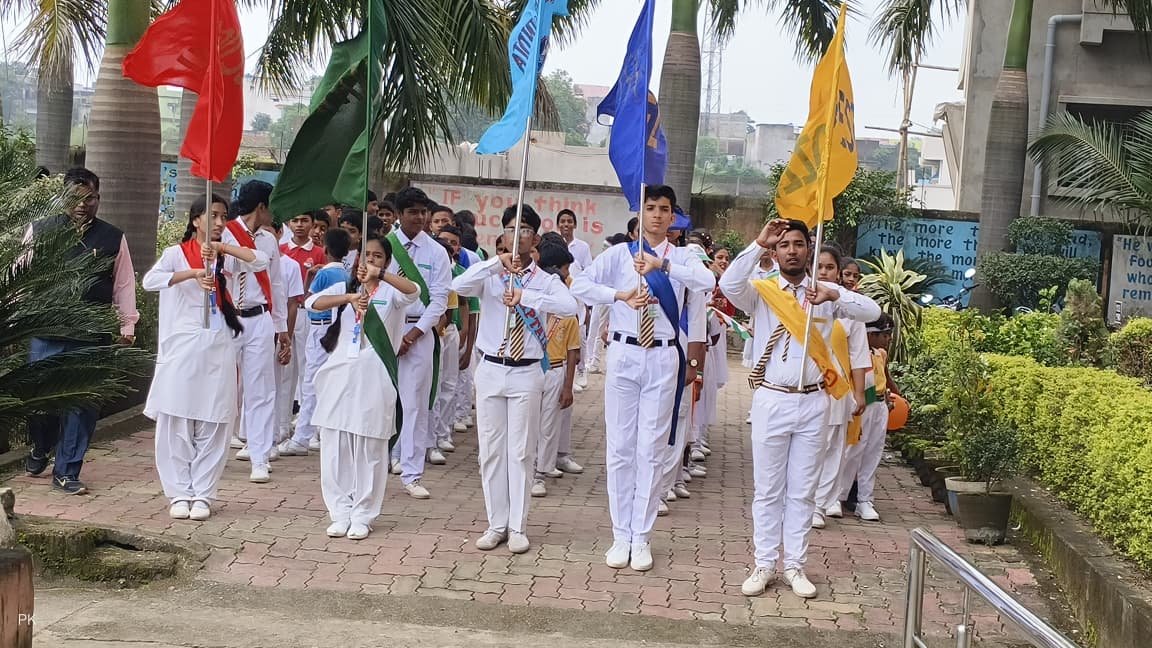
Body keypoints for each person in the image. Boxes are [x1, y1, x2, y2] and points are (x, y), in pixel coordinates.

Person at [720, 219, 880, 600]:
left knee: (803, 490)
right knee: (768, 488)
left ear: (810, 249)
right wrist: (758, 242)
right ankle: (764, 563)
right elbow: (727, 285)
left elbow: (872, 311)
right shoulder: (761, 291)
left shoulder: (824, 292)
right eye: (784, 244)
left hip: (814, 400)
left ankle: (794, 565)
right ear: (775, 252)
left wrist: (834, 295)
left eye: (798, 243)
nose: (791, 250)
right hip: (772, 398)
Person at [571, 185, 715, 572]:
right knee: (620, 447)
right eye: (650, 208)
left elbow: (708, 283)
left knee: (651, 448)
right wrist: (618, 295)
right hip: (624, 352)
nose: (656, 215)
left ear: (673, 217)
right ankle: (621, 534)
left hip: (664, 355)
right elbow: (580, 284)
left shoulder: (684, 256)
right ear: (641, 213)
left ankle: (642, 536)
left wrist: (662, 267)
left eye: (664, 209)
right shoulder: (620, 254)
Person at [453, 204, 579, 554]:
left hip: (526, 370)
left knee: (521, 450)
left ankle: (518, 525)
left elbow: (568, 306)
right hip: (491, 366)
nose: (516, 235)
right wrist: (496, 264)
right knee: (491, 451)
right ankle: (496, 523)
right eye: (510, 229)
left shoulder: (546, 280)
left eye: (524, 229)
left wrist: (527, 296)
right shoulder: (491, 274)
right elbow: (459, 285)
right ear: (503, 235)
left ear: (535, 237)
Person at [25, 168, 140, 494]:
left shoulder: (113, 238)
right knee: (41, 400)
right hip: (47, 331)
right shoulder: (41, 230)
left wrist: (127, 324)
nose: (83, 204)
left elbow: (123, 284)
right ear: (63, 197)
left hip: (92, 336)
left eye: (90, 197)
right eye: (76, 197)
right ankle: (40, 444)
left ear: (98, 199)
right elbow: (21, 273)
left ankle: (67, 472)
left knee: (83, 405)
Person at [143, 196, 258, 520]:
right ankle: (179, 492)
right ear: (196, 220)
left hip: (217, 345)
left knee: (215, 419)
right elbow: (150, 281)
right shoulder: (175, 255)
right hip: (182, 347)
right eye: (215, 216)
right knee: (176, 419)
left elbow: (258, 260)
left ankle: (204, 492)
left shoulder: (225, 255)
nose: (221, 223)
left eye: (224, 217)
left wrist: (223, 250)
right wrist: (191, 273)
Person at [308, 234, 419, 540]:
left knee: (369, 445)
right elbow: (311, 302)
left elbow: (415, 292)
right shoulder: (346, 287)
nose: (370, 260)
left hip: (375, 375)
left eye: (378, 256)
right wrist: (348, 298)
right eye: (366, 255)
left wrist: (380, 276)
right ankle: (339, 511)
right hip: (340, 376)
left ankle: (364, 512)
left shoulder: (391, 293)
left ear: (387, 261)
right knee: (335, 444)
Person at [386, 187, 452, 499]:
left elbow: (439, 300)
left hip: (419, 335)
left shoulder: (436, 252)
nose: (420, 217)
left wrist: (412, 335)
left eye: (423, 211)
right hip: (384, 332)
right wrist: (390, 333)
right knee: (382, 400)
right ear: (399, 215)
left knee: (415, 406)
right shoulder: (383, 247)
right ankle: (379, 462)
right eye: (413, 211)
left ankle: (412, 473)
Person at [228, 180, 289, 483]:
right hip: (228, 318)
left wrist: (282, 328)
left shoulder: (269, 240)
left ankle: (260, 456)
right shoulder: (224, 234)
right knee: (221, 385)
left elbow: (276, 284)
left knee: (261, 389)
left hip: (259, 317)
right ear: (261, 206)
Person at [811, 246, 870, 530]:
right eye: (819, 266)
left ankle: (822, 504)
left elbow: (859, 356)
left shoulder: (850, 309)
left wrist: (859, 393)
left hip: (837, 388)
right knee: (810, 446)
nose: (823, 272)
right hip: (807, 383)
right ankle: (803, 500)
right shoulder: (801, 299)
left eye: (829, 268)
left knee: (834, 447)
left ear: (838, 271)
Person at [280, 228, 352, 456]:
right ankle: (322, 431)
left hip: (320, 329)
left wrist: (311, 277)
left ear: (326, 250)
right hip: (339, 329)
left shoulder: (324, 275)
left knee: (311, 383)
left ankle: (302, 436)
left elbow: (307, 300)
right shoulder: (348, 274)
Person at [531, 238, 581, 497]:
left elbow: (574, 352)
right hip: (530, 367)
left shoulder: (567, 315)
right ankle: (527, 469)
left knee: (549, 423)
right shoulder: (532, 308)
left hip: (555, 369)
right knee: (529, 421)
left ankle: (541, 472)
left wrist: (568, 385)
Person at [837, 313, 899, 523]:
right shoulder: (854, 354)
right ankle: (837, 496)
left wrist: (891, 397)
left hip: (880, 407)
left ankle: (865, 499)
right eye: (885, 334)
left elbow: (885, 379)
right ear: (870, 335)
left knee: (873, 452)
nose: (888, 339)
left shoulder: (880, 354)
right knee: (853, 451)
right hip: (862, 406)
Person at [281, 211, 328, 419]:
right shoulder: (281, 251)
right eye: (295, 220)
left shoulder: (319, 253)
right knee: (285, 370)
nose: (299, 225)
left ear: (312, 224)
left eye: (304, 221)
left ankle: (307, 420)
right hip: (286, 313)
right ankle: (282, 421)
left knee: (309, 367)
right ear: (288, 224)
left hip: (308, 313)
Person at [433, 226, 472, 456]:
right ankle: (429, 438)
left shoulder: (458, 273)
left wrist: (464, 332)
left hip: (448, 330)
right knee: (432, 387)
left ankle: (443, 433)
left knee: (448, 384)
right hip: (428, 332)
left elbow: (463, 306)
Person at [271, 222, 305, 444]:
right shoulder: (248, 260)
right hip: (255, 326)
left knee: (282, 380)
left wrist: (287, 336)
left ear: (280, 233)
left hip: (280, 327)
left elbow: (292, 303)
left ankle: (280, 427)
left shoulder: (289, 266)